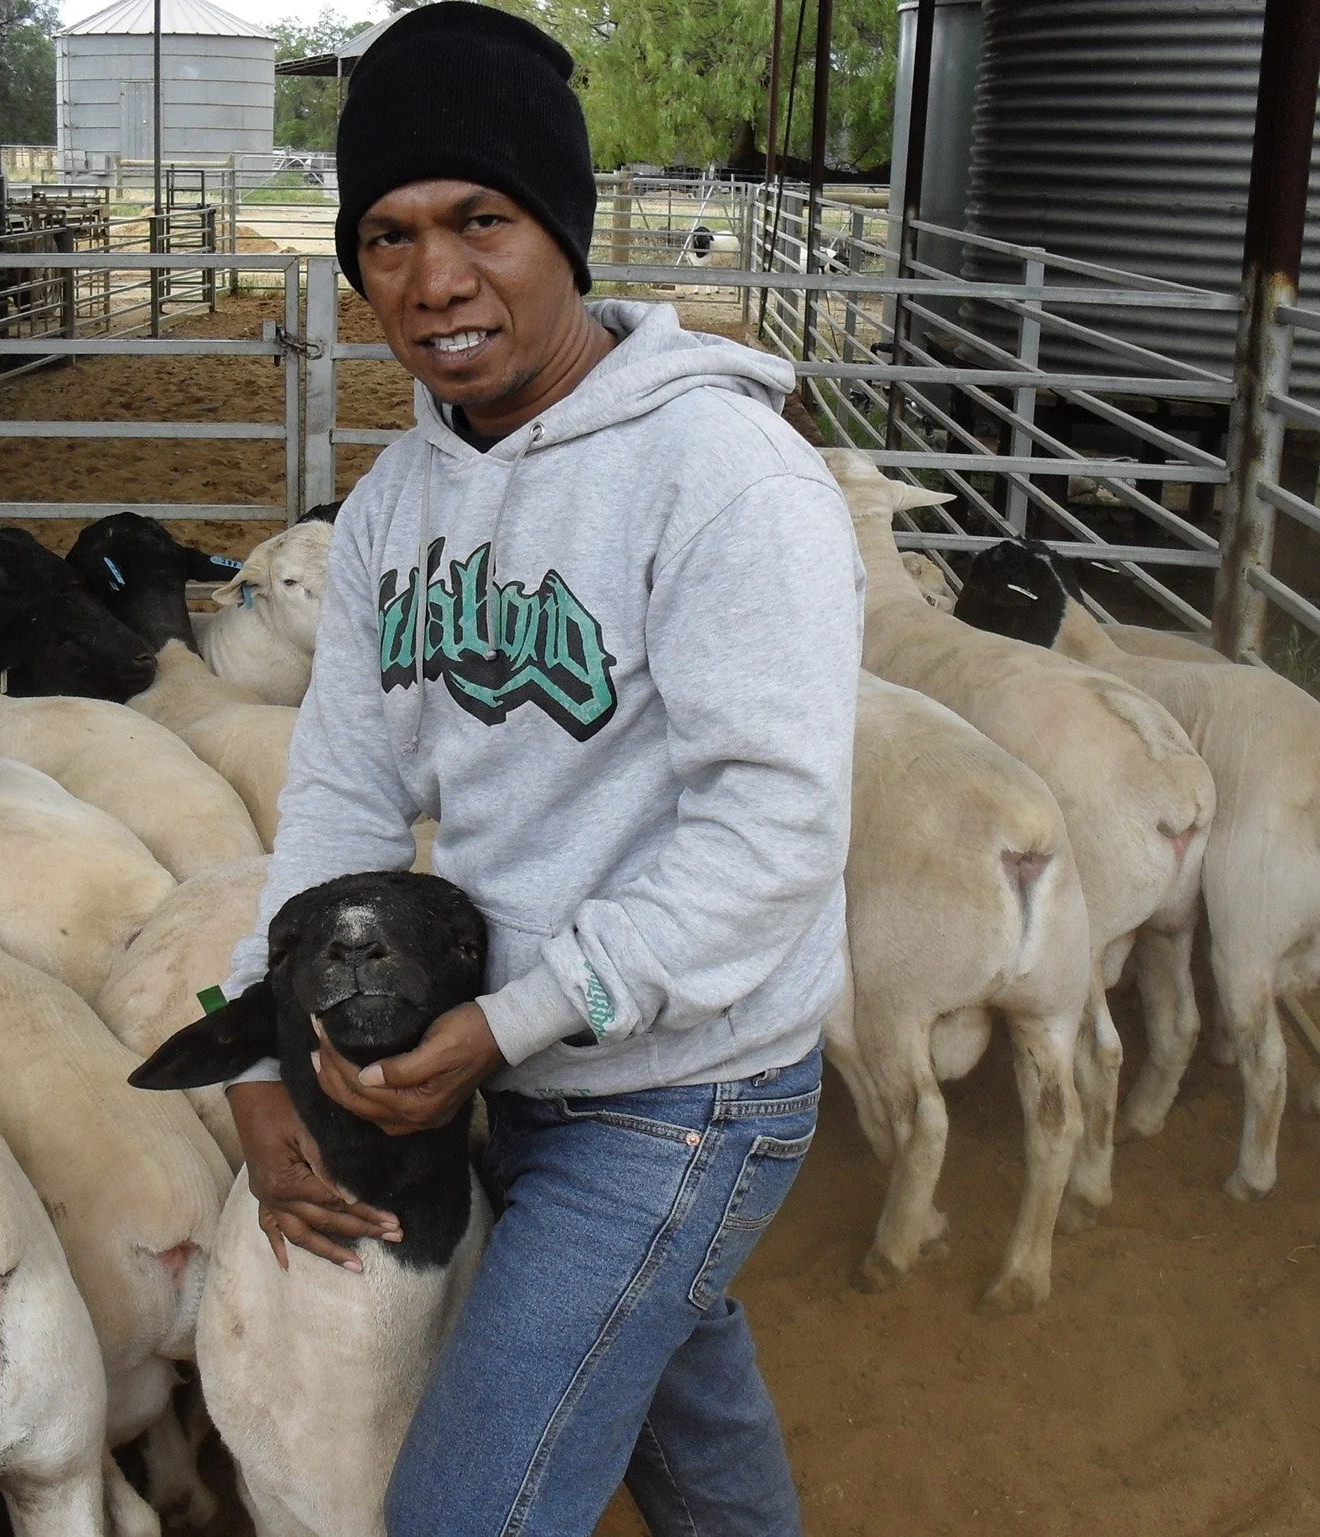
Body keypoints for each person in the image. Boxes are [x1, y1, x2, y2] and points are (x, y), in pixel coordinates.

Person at [216, 6, 863, 1533]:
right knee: (689, 1436)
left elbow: (775, 826)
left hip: (686, 1091)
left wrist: (509, 1024)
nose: (434, 281)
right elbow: (342, 797)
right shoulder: (394, 509)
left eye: (481, 220)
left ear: (565, 230)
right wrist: (257, 1050)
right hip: (519, 1065)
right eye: (386, 235)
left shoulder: (722, 478)